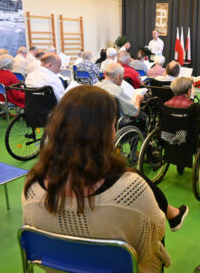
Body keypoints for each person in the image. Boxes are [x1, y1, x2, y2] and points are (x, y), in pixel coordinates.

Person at [22, 86, 181, 272]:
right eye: (113, 125)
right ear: (105, 132)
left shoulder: (32, 183)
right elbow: (155, 235)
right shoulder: (131, 188)